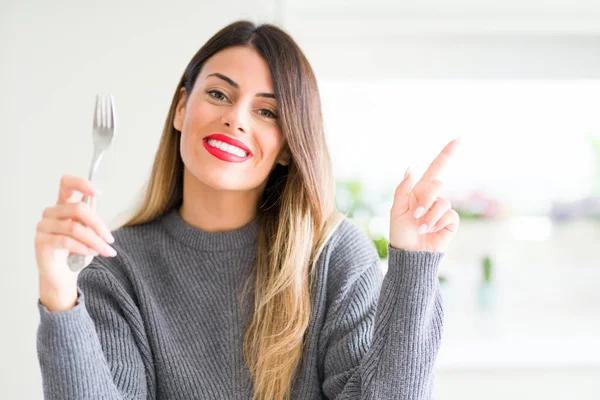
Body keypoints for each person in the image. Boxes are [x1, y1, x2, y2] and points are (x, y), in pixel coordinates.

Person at [34, 20, 460, 400]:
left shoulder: (333, 255)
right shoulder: (116, 268)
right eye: (219, 94)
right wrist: (59, 294)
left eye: (266, 111)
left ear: (289, 148)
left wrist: (415, 264)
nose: (236, 119)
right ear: (182, 108)